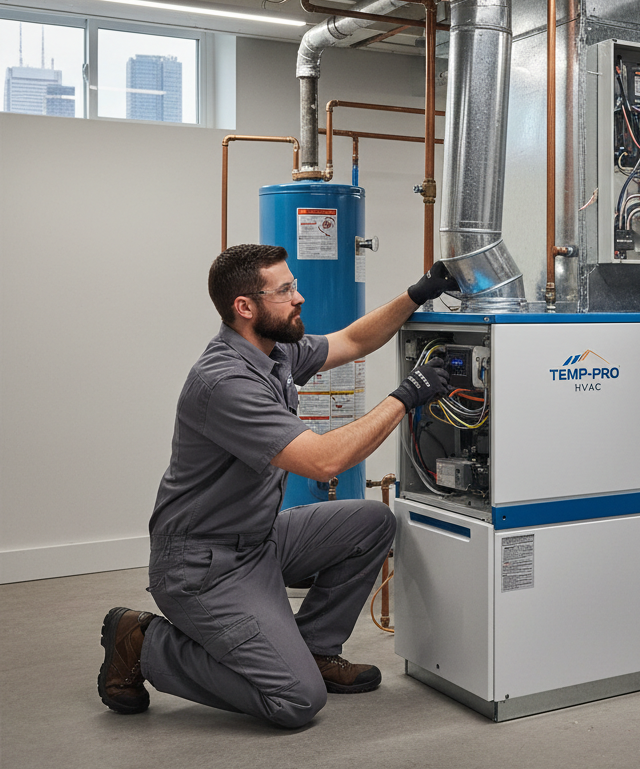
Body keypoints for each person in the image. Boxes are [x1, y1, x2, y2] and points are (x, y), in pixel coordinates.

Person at [97, 244, 458, 728]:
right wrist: (406, 396)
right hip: (203, 565)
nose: (299, 297)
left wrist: (417, 294)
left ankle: (314, 649)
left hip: (258, 541)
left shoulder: (274, 352)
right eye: (285, 289)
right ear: (244, 307)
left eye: (294, 285)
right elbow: (325, 462)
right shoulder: (224, 380)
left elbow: (351, 341)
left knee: (371, 521)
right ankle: (144, 643)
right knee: (295, 701)